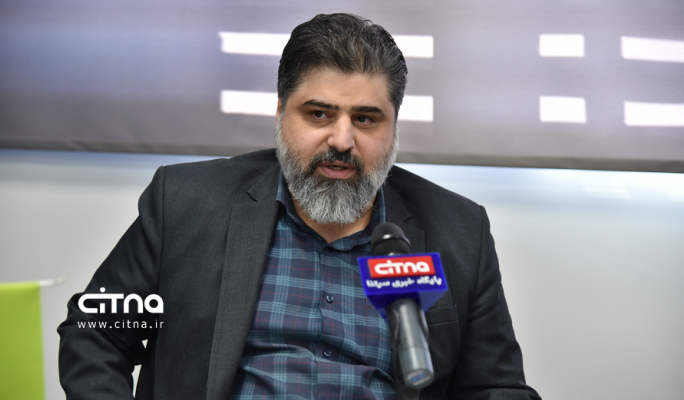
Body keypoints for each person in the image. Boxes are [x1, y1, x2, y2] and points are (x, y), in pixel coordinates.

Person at [58, 13, 540, 400]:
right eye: (319, 114)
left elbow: (494, 388)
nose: (342, 139)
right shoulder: (187, 204)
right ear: (280, 114)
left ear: (394, 127)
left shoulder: (458, 231)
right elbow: (95, 331)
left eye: (366, 119)